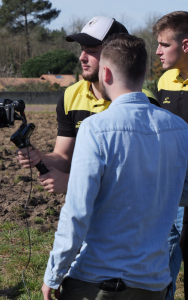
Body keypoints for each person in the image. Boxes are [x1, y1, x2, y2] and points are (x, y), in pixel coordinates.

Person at [42, 33, 188, 300]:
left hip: (97, 280)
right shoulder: (180, 129)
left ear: (105, 73)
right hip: (153, 282)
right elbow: (183, 195)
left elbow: (76, 212)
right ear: (144, 72)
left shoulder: (94, 128)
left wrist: (54, 272)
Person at [16, 16, 158, 194]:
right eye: (82, 50)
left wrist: (73, 183)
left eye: (91, 50)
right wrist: (39, 157)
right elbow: (64, 157)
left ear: (116, 54)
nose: (82, 57)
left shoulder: (143, 102)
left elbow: (136, 173)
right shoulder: (70, 96)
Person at [153, 11, 188, 299]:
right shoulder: (165, 80)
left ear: (185, 45)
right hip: (169, 189)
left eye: (164, 44)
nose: (158, 51)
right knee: (161, 266)